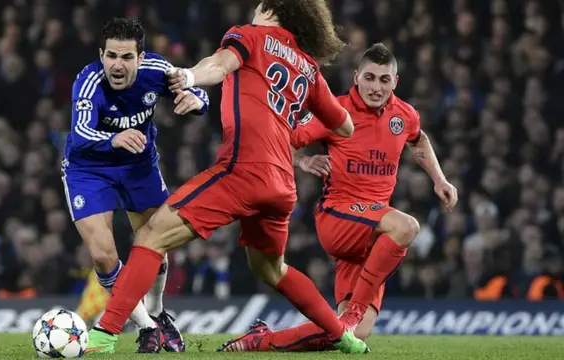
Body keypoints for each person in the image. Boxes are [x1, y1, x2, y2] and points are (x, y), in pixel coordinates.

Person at [86, 0, 369, 355]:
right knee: (272, 269)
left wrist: (188, 76)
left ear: (268, 10)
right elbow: (344, 125)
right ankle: (345, 338)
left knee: (150, 236)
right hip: (282, 185)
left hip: (244, 171)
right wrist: (291, 129)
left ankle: (104, 335)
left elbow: (219, 65)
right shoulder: (309, 69)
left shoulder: (249, 35)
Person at [219, 43, 458, 352]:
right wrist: (302, 161)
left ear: (395, 82)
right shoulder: (335, 111)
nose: (376, 87)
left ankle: (261, 340)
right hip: (339, 216)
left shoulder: (405, 115)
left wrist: (439, 179)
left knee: (351, 334)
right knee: (407, 227)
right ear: (357, 77)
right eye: (370, 78)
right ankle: (355, 310)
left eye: (384, 80)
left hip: (371, 235)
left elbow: (419, 139)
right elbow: (281, 138)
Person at [62, 17, 209, 353]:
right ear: (101, 55)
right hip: (89, 169)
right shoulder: (87, 82)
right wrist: (115, 139)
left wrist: (198, 102)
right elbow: (81, 134)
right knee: (102, 255)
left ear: (141, 59)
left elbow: (196, 89)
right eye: (111, 55)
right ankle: (147, 326)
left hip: (138, 167)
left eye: (127, 57)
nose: (117, 64)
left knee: (155, 242)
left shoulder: (158, 70)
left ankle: (157, 313)